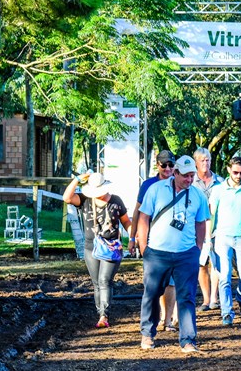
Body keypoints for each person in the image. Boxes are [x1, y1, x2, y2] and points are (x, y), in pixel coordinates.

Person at [137, 155, 210, 353]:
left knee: (186, 297)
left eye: (192, 176)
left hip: (186, 254)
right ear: (175, 173)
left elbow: (201, 222)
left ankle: (188, 340)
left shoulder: (197, 195)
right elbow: (143, 218)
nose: (189, 180)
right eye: (185, 176)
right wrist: (144, 247)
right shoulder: (156, 190)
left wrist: (197, 249)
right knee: (152, 293)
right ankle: (147, 334)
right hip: (157, 253)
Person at [63, 171, 132, 329]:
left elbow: (126, 221)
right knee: (96, 282)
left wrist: (133, 238)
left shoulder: (116, 201)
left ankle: (104, 315)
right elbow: (66, 197)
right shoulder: (84, 199)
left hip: (111, 247)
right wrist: (78, 179)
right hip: (91, 247)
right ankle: (100, 312)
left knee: (104, 280)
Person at [129, 149, 178, 331]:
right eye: (163, 165)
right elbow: (138, 213)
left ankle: (168, 320)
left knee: (172, 283)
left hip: (175, 242)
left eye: (171, 165)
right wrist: (134, 238)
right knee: (153, 284)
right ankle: (153, 320)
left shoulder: (181, 184)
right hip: (152, 241)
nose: (167, 169)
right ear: (157, 165)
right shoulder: (148, 185)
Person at [209, 156, 241, 327]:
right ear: (228, 170)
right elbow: (212, 213)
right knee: (225, 276)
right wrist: (209, 235)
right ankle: (226, 311)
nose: (238, 176)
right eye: (235, 172)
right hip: (222, 236)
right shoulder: (218, 189)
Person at [192, 147, 224, 313]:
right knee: (201, 263)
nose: (206, 163)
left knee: (216, 263)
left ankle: (214, 298)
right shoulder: (190, 182)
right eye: (202, 160)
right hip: (196, 228)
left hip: (217, 228)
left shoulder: (220, 181)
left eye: (208, 160)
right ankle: (205, 298)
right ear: (196, 162)